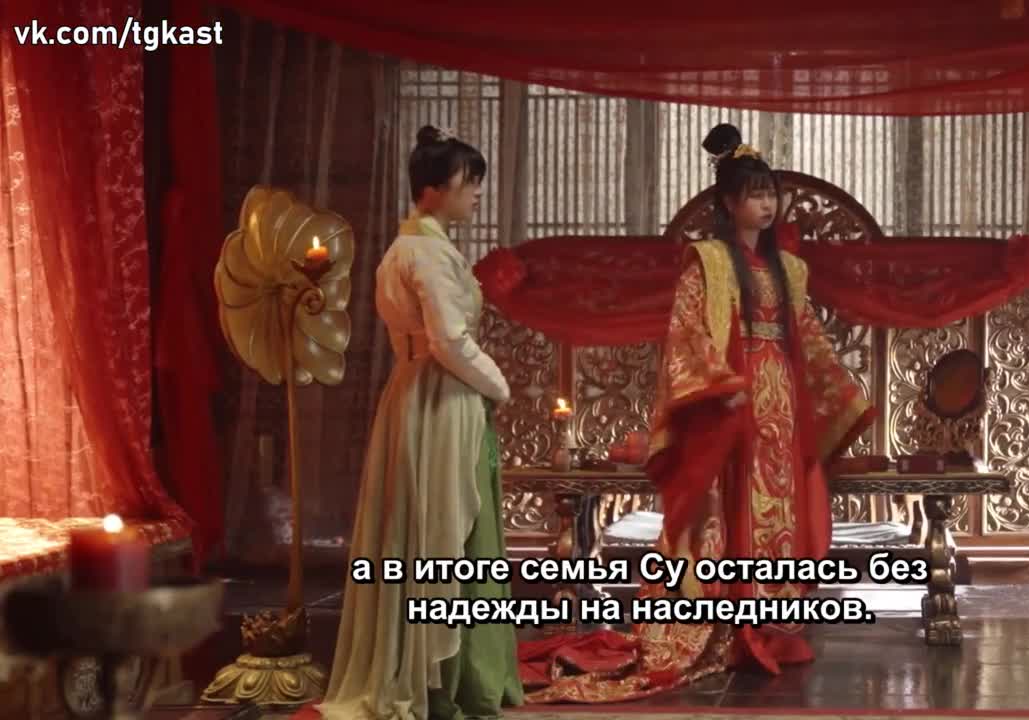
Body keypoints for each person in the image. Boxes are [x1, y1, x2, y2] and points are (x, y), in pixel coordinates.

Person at [520, 123, 877, 703]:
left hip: (781, 402)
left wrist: (843, 395)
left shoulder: (790, 269)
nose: (767, 205)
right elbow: (687, 333)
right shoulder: (707, 262)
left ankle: (771, 624)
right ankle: (729, 624)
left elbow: (808, 336)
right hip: (732, 402)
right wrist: (719, 385)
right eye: (755, 195)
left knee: (780, 509)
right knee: (732, 506)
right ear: (730, 203)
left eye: (770, 193)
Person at [317, 126, 524, 720]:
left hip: (415, 392)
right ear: (432, 189)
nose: (476, 192)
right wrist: (500, 386)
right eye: (468, 181)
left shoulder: (406, 248)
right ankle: (443, 679)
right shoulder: (425, 254)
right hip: (441, 396)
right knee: (444, 529)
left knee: (424, 525)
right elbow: (449, 340)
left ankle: (451, 671)